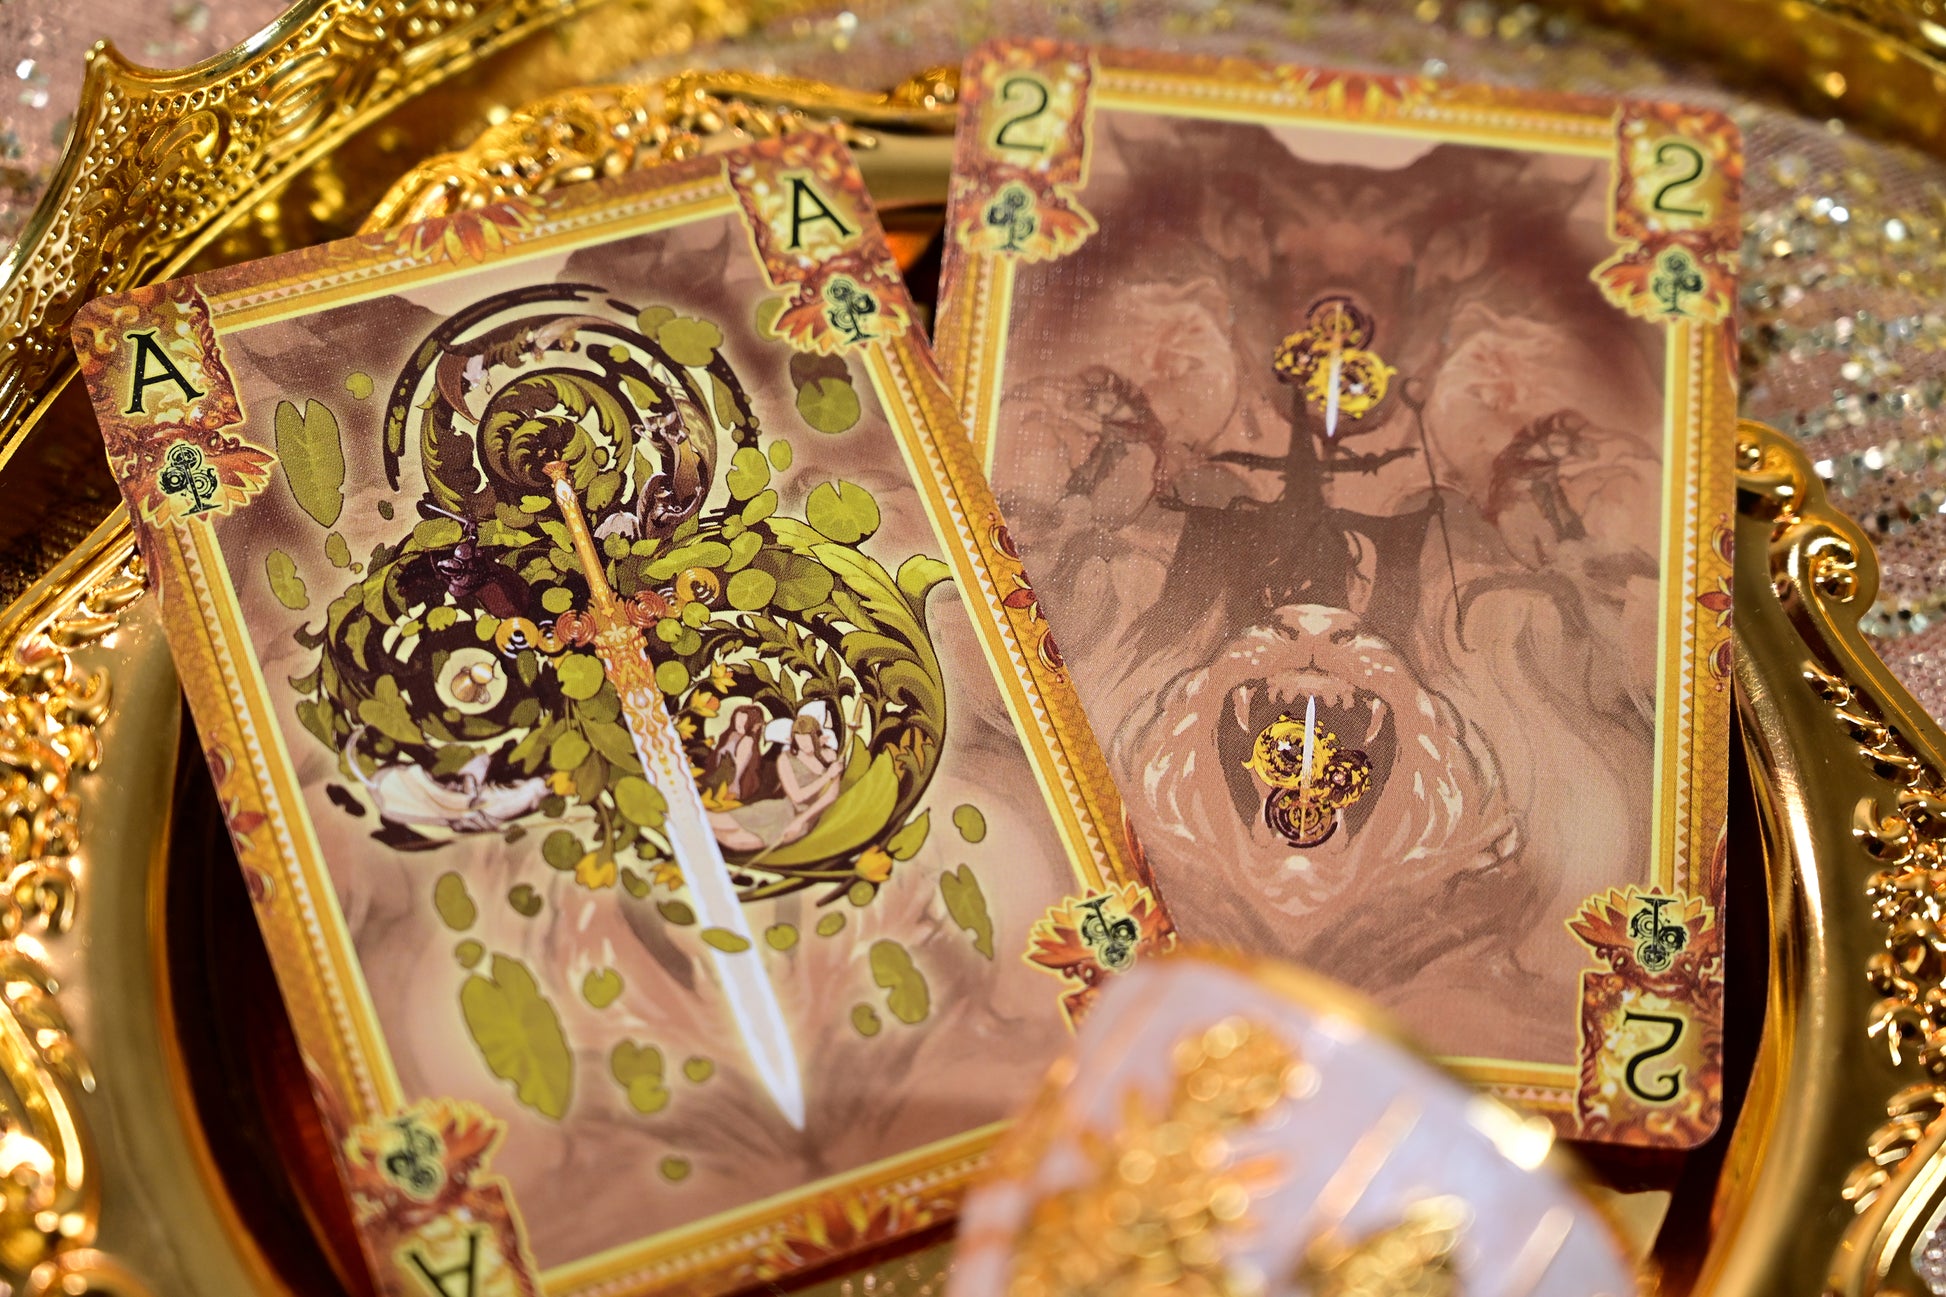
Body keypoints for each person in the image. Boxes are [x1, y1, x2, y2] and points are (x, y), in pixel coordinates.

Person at [707, 708, 844, 854]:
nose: (804, 745)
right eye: (799, 740)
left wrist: (801, 821)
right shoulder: (785, 759)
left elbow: (831, 795)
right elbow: (797, 797)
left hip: (799, 819)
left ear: (816, 736)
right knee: (718, 822)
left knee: (735, 841)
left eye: (807, 739)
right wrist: (827, 776)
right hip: (780, 810)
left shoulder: (829, 756)